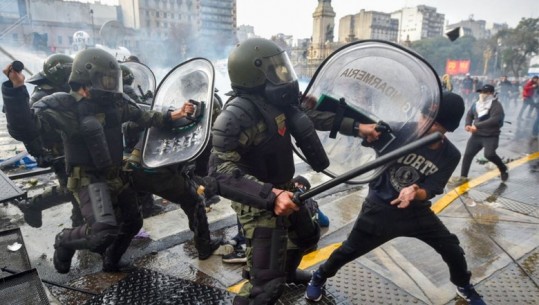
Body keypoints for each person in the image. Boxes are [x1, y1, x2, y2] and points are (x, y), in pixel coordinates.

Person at [207, 37, 375, 305]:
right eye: (274, 68)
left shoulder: (278, 100)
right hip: (258, 200)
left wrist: (358, 128)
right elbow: (220, 172)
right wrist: (272, 196)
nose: (282, 72)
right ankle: (268, 277)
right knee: (266, 287)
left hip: (284, 187)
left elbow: (314, 117)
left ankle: (286, 271)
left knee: (305, 237)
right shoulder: (237, 116)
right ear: (254, 73)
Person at [2, 48, 193, 274]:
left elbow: (143, 116)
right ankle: (64, 240)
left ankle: (111, 261)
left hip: (115, 173)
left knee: (133, 222)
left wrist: (174, 115)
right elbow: (26, 128)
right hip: (87, 178)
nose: (110, 86)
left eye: (113, 80)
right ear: (85, 79)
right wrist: (16, 91)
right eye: (106, 80)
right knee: (102, 233)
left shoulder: (116, 103)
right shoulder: (64, 106)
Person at [304, 92, 488, 305]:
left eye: (434, 123)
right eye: (423, 116)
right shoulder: (397, 131)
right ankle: (320, 275)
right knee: (347, 251)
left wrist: (415, 192)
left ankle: (464, 285)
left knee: (452, 249)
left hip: (416, 213)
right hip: (378, 209)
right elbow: (352, 124)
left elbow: (431, 189)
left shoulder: (451, 155)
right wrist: (317, 106)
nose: (425, 124)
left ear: (448, 128)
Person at [8, 53, 83, 228]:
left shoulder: (64, 89)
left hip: (71, 145)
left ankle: (79, 223)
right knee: (73, 188)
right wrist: (39, 153)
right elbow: (29, 131)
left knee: (77, 187)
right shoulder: (39, 97)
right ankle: (35, 206)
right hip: (56, 150)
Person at [455, 84, 508, 183]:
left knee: (489, 155)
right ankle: (463, 177)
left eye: (486, 93)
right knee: (467, 155)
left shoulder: (496, 105)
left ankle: (503, 168)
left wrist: (477, 125)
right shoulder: (477, 104)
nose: (483, 94)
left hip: (491, 136)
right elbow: (469, 114)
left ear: (491, 93)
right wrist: (467, 124)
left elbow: (495, 120)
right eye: (482, 92)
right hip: (476, 136)